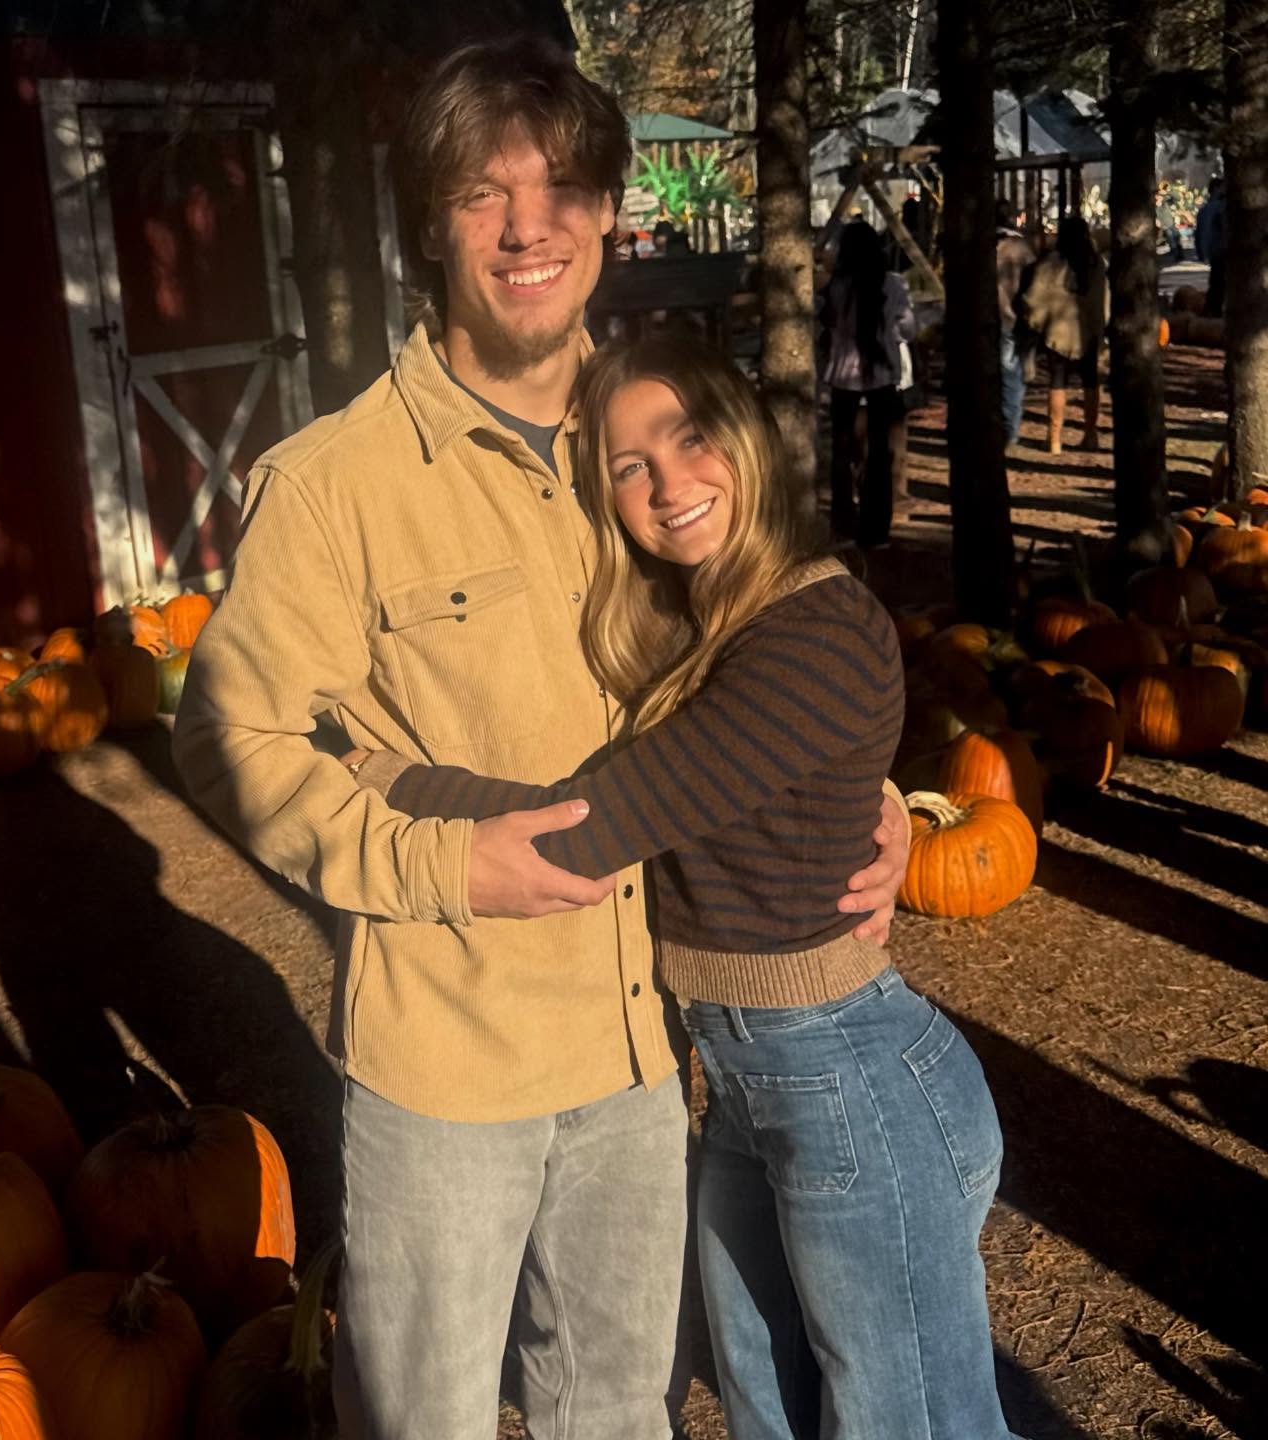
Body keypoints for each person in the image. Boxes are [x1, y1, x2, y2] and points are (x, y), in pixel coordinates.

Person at [171, 36, 911, 1440]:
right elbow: (228, 735)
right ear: (429, 228)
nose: (529, 229)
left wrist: (864, 795)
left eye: (563, 187)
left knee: (620, 1414)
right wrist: (439, 864)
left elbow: (772, 646)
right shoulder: (336, 487)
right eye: (482, 194)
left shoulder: (655, 444)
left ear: (610, 213)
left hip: (644, 1053)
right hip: (446, 1067)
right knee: (427, 1421)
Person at [351, 335, 1019, 1440]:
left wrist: (383, 777)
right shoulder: (705, 623)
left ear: (745, 437)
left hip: (850, 1077)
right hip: (748, 1085)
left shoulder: (812, 633)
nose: (668, 484)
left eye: (690, 438)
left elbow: (590, 827)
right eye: (630, 466)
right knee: (766, 1409)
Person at [819, 219, 917, 549]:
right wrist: (888, 335)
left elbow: (827, 326)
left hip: (842, 380)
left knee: (842, 454)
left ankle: (843, 525)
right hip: (881, 378)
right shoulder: (893, 284)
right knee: (880, 455)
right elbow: (909, 329)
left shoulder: (836, 287)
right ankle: (876, 530)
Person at [1021, 215, 1108, 455]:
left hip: (1057, 333)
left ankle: (1054, 439)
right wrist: (1100, 324)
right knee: (1091, 381)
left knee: (1057, 382)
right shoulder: (1096, 264)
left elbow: (1034, 298)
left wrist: (1037, 321)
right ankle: (1091, 435)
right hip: (1089, 331)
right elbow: (1103, 298)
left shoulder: (1051, 264)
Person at [995, 200, 1037, 448]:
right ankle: (1010, 428)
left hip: (989, 316)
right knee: (1012, 375)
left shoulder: (984, 246)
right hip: (1014, 317)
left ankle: (1000, 426)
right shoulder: (1023, 249)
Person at [1195, 177, 1227, 318]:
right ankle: (1214, 313)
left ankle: (1213, 312)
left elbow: (1200, 233)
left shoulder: (1206, 208)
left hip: (1217, 252)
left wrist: (1202, 252)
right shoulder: (1218, 207)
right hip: (1221, 250)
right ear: (1216, 189)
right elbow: (1204, 231)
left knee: (1217, 284)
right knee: (1219, 285)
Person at [1156, 180, 1184, 264]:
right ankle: (1176, 257)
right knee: (1172, 241)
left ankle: (1180, 255)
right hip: (1164, 226)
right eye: (1158, 195)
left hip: (1171, 224)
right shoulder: (1153, 206)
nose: (1160, 197)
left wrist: (1168, 192)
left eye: (1161, 196)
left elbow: (1178, 198)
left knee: (1177, 238)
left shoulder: (1165, 202)